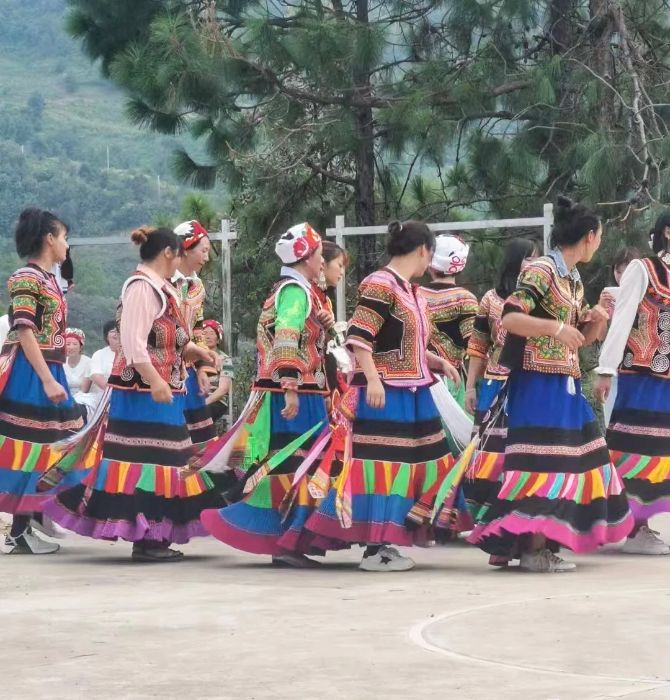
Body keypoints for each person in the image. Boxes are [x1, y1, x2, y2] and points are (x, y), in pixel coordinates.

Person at [467, 196, 633, 572]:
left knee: (582, 458)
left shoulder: (572, 279)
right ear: (589, 237)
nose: (599, 243)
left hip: (563, 381)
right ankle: (533, 549)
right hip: (537, 382)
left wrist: (598, 319)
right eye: (600, 237)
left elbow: (580, 339)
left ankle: (524, 542)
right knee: (544, 462)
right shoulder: (542, 270)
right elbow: (511, 317)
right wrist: (556, 328)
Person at [43, 226, 224, 562]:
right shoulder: (142, 288)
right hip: (142, 393)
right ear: (168, 253)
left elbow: (169, 341)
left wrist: (197, 353)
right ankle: (148, 538)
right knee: (150, 462)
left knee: (166, 461)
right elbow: (133, 343)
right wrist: (155, 381)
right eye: (179, 255)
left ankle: (153, 535)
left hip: (160, 389)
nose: (181, 262)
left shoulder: (161, 288)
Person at [304, 220, 464, 572]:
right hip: (386, 394)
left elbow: (407, 343)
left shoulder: (410, 290)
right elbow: (361, 336)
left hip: (413, 392)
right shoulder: (380, 284)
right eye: (430, 253)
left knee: (420, 461)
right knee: (385, 465)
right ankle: (376, 547)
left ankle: (390, 539)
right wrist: (373, 380)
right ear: (422, 250)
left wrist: (437, 362)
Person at [199, 223, 334, 568]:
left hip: (294, 389)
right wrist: (290, 386)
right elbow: (287, 335)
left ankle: (291, 538)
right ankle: (289, 541)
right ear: (306, 257)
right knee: (297, 463)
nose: (323, 261)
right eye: (320, 254)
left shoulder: (291, 290)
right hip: (296, 393)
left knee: (293, 462)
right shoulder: (295, 292)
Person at [0, 208, 85, 555]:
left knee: (47, 447)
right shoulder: (26, 277)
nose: (66, 244)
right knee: (31, 447)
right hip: (31, 372)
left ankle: (29, 523)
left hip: (48, 368)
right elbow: (24, 330)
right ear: (49, 239)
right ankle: (19, 531)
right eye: (64, 237)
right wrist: (48, 379)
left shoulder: (50, 280)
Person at [594, 215, 670, 555]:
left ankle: (642, 525)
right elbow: (623, 315)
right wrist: (606, 368)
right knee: (640, 450)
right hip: (643, 376)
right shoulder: (644, 268)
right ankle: (634, 527)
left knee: (663, 453)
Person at [464, 238, 540, 539]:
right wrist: (470, 387)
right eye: (528, 258)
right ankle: (483, 517)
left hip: (529, 382)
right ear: (514, 261)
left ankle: (516, 514)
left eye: (536, 259)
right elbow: (478, 345)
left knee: (522, 450)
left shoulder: (542, 298)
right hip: (495, 383)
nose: (533, 264)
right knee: (488, 452)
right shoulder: (491, 299)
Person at [172, 220, 217, 445]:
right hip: (165, 368)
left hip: (187, 369)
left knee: (200, 440)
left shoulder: (197, 285)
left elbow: (197, 326)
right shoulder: (164, 282)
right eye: (203, 251)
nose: (206, 258)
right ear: (185, 249)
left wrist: (201, 368)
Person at [420, 234, 478, 408]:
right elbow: (474, 346)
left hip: (417, 378)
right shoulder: (465, 299)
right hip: (451, 378)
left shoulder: (415, 294)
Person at [597, 247, 642, 426]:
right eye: (618, 271)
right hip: (613, 366)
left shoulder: (649, 296)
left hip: (639, 365)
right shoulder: (609, 295)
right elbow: (600, 336)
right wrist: (601, 309)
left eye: (627, 270)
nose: (622, 276)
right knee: (612, 417)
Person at [316, 240, 350, 402]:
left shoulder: (326, 300)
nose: (342, 272)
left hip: (328, 375)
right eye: (340, 265)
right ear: (323, 264)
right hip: (313, 380)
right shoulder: (307, 296)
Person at [200, 319, 234, 426]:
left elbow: (223, 389)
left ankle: (207, 437)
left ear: (218, 339)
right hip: (196, 399)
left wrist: (204, 403)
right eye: (204, 333)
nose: (207, 336)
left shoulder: (224, 359)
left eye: (211, 333)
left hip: (216, 401)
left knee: (199, 414)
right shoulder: (194, 358)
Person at [88, 320, 120, 397]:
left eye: (119, 331)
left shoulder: (130, 354)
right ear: (107, 336)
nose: (116, 333)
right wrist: (114, 394)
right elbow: (96, 376)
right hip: (102, 394)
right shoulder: (99, 354)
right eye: (113, 331)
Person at [63, 328, 92, 400]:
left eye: (75, 344)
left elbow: (84, 390)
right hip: (63, 398)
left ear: (81, 346)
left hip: (82, 399)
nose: (71, 347)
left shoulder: (88, 363)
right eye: (68, 344)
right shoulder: (61, 363)